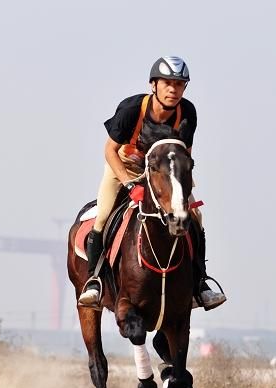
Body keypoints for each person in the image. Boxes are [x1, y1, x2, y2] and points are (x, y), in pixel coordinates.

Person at [78, 56, 226, 311]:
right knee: (102, 215)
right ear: (153, 85)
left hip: (163, 174)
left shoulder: (187, 112)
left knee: (196, 216)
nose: (173, 89)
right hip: (124, 167)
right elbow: (110, 151)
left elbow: (184, 155)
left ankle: (200, 283)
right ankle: (94, 281)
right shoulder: (132, 110)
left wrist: (185, 186)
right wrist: (128, 184)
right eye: (167, 83)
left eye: (179, 84)